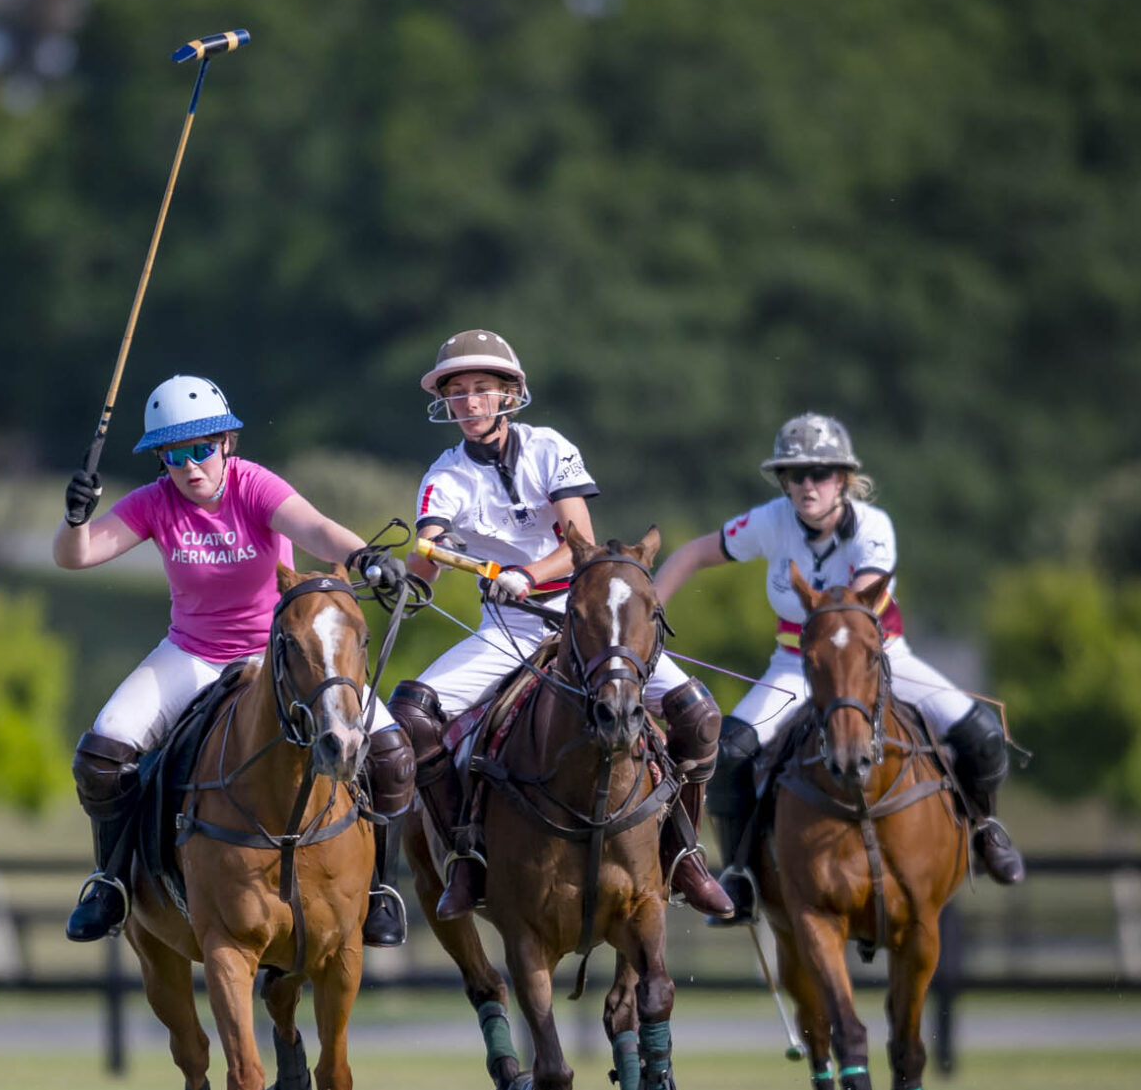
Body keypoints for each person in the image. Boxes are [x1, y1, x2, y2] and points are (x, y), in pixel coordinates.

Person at [56, 374, 414, 946]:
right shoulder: (155, 502)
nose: (190, 467)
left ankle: (378, 892)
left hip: (278, 657)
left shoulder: (254, 486)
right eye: (174, 455)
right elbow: (76, 557)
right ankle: (111, 884)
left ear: (226, 442)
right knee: (101, 754)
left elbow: (317, 528)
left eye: (201, 448)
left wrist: (365, 557)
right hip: (191, 654)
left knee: (393, 756)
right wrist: (75, 519)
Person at [390, 330, 733, 922]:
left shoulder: (550, 447)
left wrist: (526, 573)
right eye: (457, 392)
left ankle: (683, 855)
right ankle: (466, 858)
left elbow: (582, 541)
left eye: (481, 388)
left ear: (508, 394)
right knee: (411, 713)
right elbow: (429, 552)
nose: (469, 402)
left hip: (588, 622)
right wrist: (411, 567)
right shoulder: (444, 476)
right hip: (509, 629)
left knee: (699, 716)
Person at [653, 412, 1023, 920]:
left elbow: (856, 606)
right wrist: (649, 613)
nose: (807, 485)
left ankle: (986, 829)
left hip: (879, 659)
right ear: (784, 482)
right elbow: (693, 554)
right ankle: (739, 870)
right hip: (794, 664)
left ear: (843, 479)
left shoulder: (873, 526)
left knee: (982, 734)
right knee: (731, 753)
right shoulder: (770, 521)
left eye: (820, 473)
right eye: (794, 474)